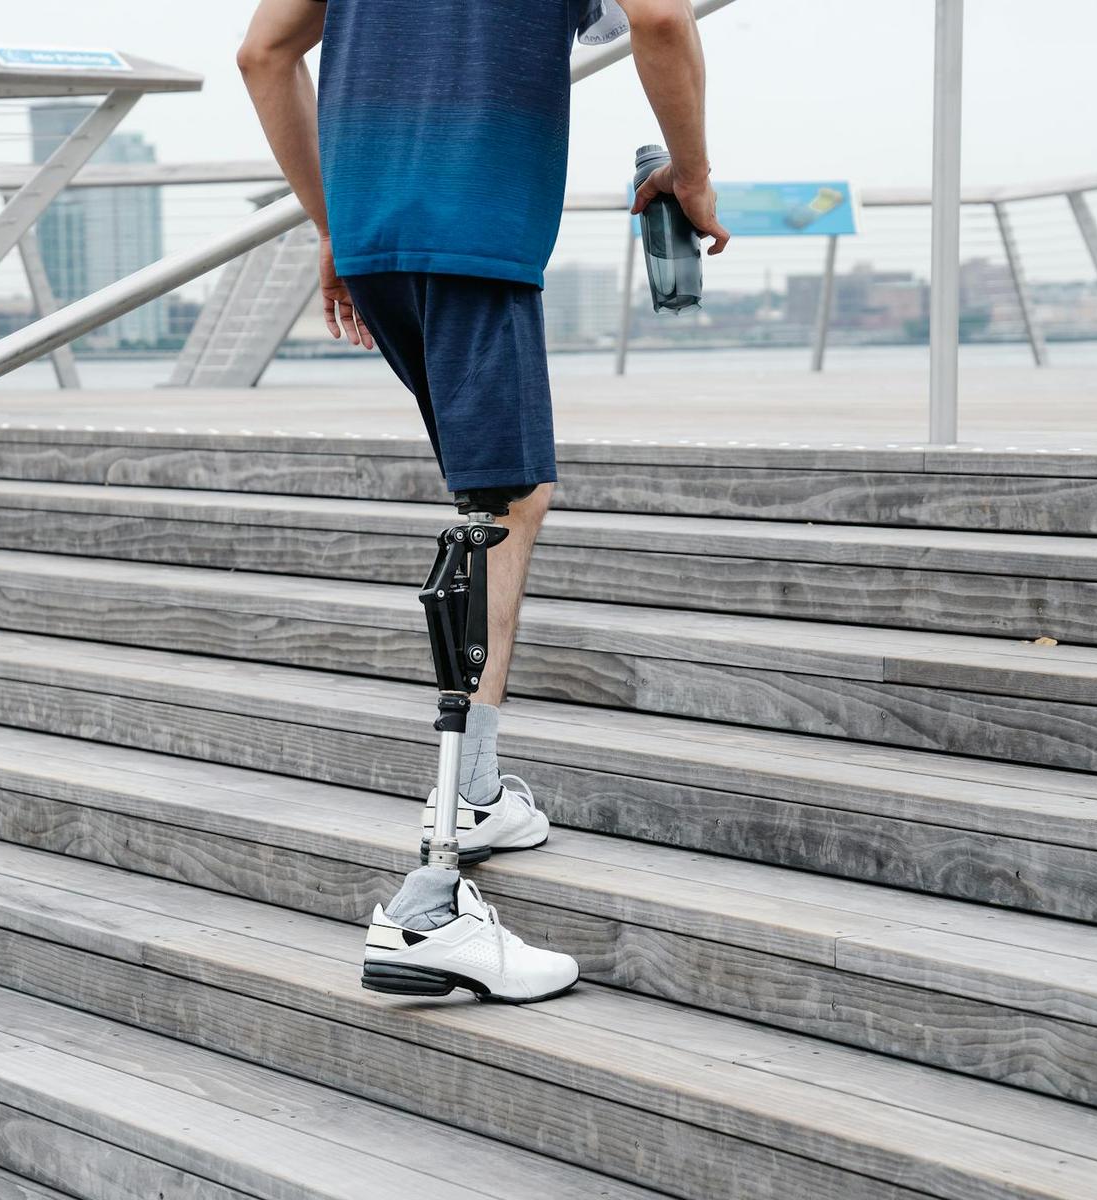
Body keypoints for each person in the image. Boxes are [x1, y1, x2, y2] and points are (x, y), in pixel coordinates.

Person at [239, 0, 728, 1003]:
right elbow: (663, 20)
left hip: (376, 235)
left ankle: (478, 794)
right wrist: (693, 169)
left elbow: (263, 54)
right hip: (477, 229)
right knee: (494, 509)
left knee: (511, 491)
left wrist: (335, 221)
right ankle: (433, 900)